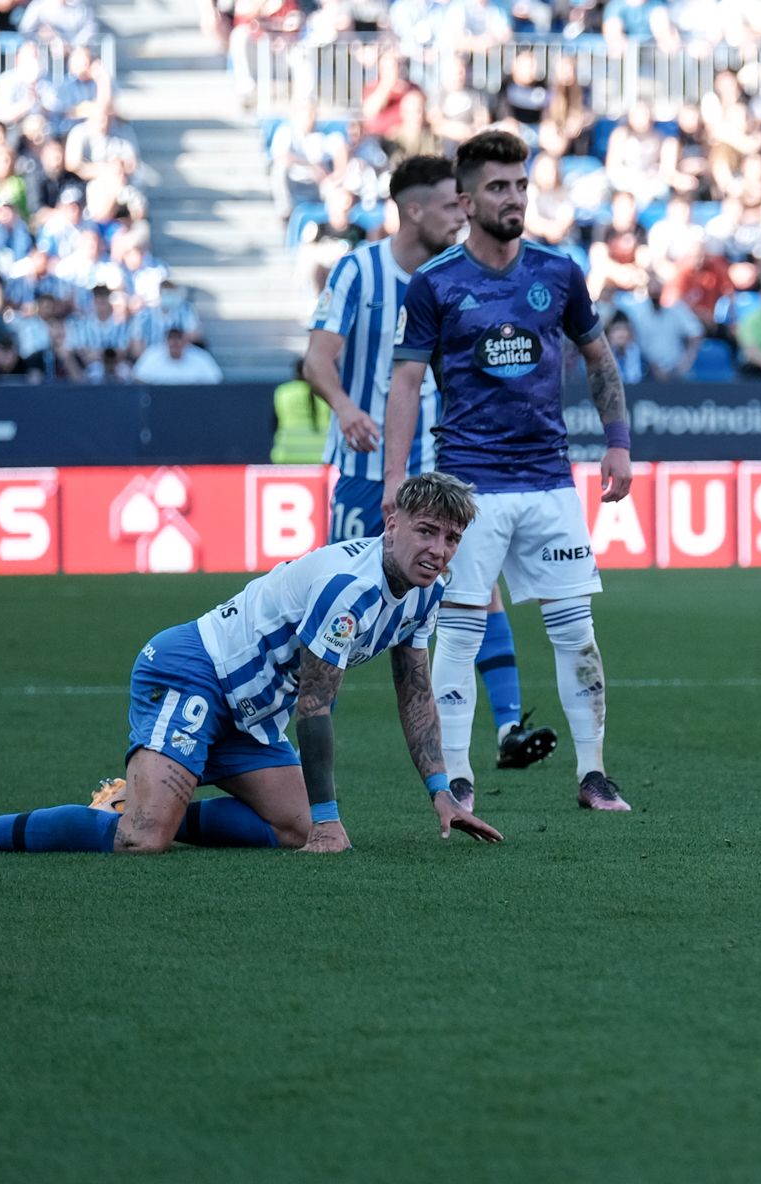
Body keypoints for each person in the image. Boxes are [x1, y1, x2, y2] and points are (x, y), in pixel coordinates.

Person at [0, 473, 504, 857]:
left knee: (287, 829)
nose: (439, 550)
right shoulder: (350, 587)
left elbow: (416, 692)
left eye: (451, 538)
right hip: (195, 673)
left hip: (252, 709)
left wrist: (441, 792)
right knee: (143, 840)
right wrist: (329, 820)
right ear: (392, 523)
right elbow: (315, 704)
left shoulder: (429, 589)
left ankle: (135, 799)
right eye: (427, 531)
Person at [382, 130, 636, 813]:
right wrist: (394, 481)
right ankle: (459, 780)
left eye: (522, 184)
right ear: (465, 200)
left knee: (575, 629)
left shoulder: (558, 272)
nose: (515, 197)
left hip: (550, 481)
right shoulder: (435, 284)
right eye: (499, 186)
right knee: (460, 630)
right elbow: (405, 383)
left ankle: (593, 774)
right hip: (469, 486)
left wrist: (617, 443)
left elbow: (599, 359)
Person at [305, 154, 559, 776]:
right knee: (338, 607)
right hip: (367, 474)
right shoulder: (359, 272)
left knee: (481, 592)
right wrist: (343, 407)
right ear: (414, 209)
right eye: (452, 204)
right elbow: (317, 359)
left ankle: (506, 728)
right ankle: (298, 753)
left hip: (443, 469)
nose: (463, 212)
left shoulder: (462, 276)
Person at [132, 327, 225, 384]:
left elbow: (214, 379)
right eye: (171, 339)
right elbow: (138, 379)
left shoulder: (201, 357)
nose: (174, 343)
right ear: (166, 341)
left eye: (178, 339)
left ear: (185, 342)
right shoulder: (152, 355)